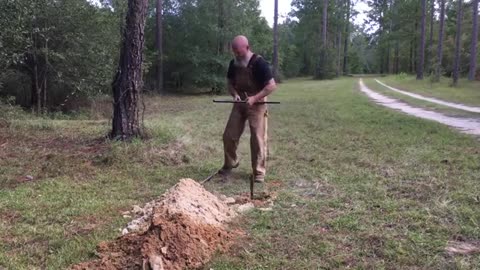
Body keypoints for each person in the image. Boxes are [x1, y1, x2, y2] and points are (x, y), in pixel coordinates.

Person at [219, 35, 277, 183]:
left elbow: (271, 86)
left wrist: (254, 98)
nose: (237, 55)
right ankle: (230, 163)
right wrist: (235, 94)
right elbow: (230, 83)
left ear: (247, 47)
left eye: (240, 52)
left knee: (257, 138)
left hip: (257, 104)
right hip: (240, 103)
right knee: (228, 135)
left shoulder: (259, 63)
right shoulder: (233, 63)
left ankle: (258, 171)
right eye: (235, 52)